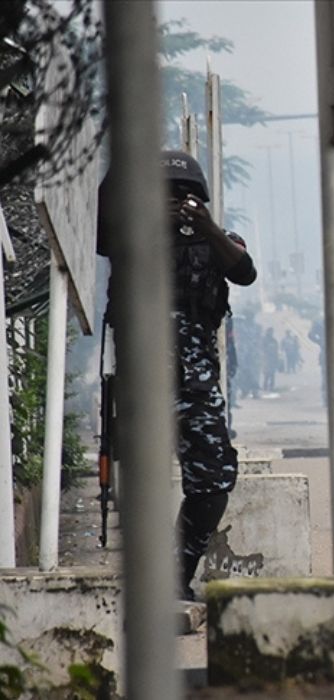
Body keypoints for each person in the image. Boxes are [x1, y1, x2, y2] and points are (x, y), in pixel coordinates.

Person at [99, 150, 258, 600]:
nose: (178, 203)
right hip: (140, 380)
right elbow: (101, 233)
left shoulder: (219, 240)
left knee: (214, 476)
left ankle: (177, 571)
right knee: (138, 480)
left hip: (195, 384)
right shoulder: (130, 238)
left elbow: (245, 272)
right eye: (167, 195)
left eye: (187, 196)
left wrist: (206, 228)